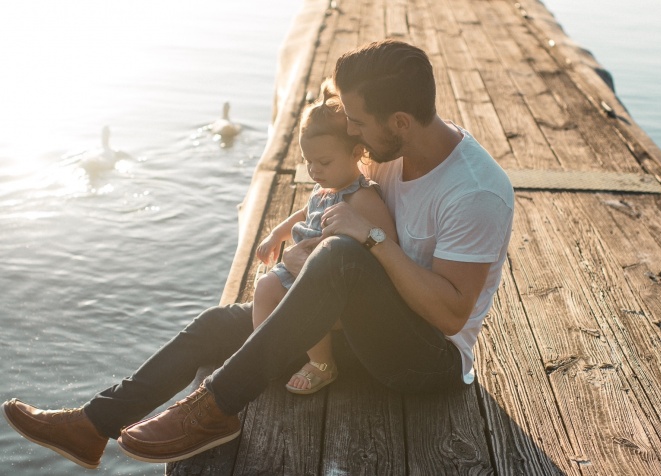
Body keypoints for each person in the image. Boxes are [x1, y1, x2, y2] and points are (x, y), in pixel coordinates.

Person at [1, 39, 514, 469]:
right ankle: (93, 425)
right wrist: (296, 236)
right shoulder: (389, 155)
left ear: (399, 121)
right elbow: (338, 203)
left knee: (340, 256)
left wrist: (369, 241)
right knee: (216, 325)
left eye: (357, 121)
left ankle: (215, 408)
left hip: (425, 360)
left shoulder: (474, 192)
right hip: (360, 329)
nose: (350, 131)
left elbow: (450, 316)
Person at [253, 79, 397, 394]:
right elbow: (305, 213)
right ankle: (265, 355)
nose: (315, 171)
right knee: (264, 287)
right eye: (309, 163)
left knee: (306, 305)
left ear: (357, 152)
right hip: (300, 264)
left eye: (324, 162)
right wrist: (277, 234)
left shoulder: (361, 198)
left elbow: (387, 244)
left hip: (329, 281)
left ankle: (322, 363)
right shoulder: (325, 188)